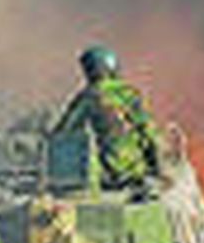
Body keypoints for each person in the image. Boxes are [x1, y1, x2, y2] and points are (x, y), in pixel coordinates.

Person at [54, 45, 163, 190]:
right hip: (137, 172)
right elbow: (150, 133)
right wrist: (156, 169)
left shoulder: (89, 97)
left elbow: (64, 132)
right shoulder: (129, 94)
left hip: (108, 175)